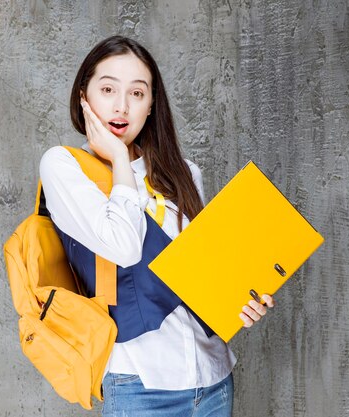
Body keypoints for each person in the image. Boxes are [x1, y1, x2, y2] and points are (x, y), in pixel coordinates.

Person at [39, 35, 275, 417]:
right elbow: (124, 247)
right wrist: (118, 157)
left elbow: (202, 273)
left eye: (137, 93)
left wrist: (241, 301)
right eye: (107, 89)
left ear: (151, 105)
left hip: (212, 376)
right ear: (84, 97)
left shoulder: (182, 174)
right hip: (138, 384)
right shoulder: (65, 167)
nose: (121, 105)